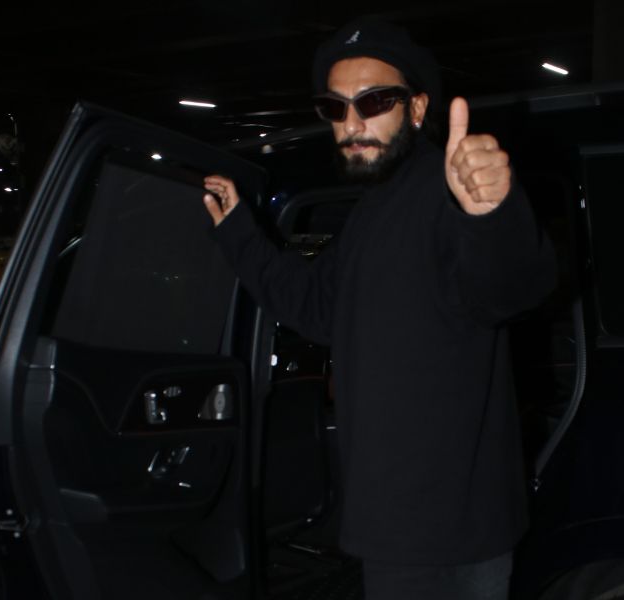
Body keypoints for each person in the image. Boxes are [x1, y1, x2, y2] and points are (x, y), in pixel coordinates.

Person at [203, 18, 557, 600]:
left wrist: (493, 212)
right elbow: (318, 307)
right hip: (406, 523)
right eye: (335, 107)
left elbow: (513, 288)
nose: (352, 124)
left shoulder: (444, 190)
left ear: (416, 108)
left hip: (440, 534)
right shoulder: (373, 209)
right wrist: (240, 234)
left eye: (374, 102)